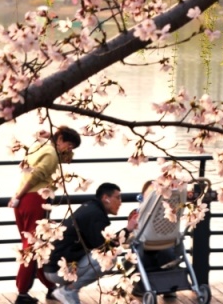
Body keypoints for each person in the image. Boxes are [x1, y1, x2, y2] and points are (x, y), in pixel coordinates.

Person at [9, 126, 82, 304]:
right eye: (69, 145)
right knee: (33, 247)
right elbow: (35, 177)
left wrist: (18, 196)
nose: (69, 150)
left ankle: (50, 286)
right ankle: (22, 292)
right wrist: (18, 197)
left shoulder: (40, 147)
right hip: (35, 199)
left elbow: (66, 160)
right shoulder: (50, 154)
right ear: (61, 139)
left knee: (37, 245)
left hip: (24, 200)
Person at [45, 182, 138, 304]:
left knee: (105, 257)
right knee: (109, 259)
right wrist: (128, 229)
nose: (120, 202)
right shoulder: (96, 215)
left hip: (53, 268)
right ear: (106, 198)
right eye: (117, 197)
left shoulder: (91, 208)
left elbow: (102, 243)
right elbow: (105, 248)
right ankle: (69, 290)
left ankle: (66, 290)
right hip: (58, 270)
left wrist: (126, 231)